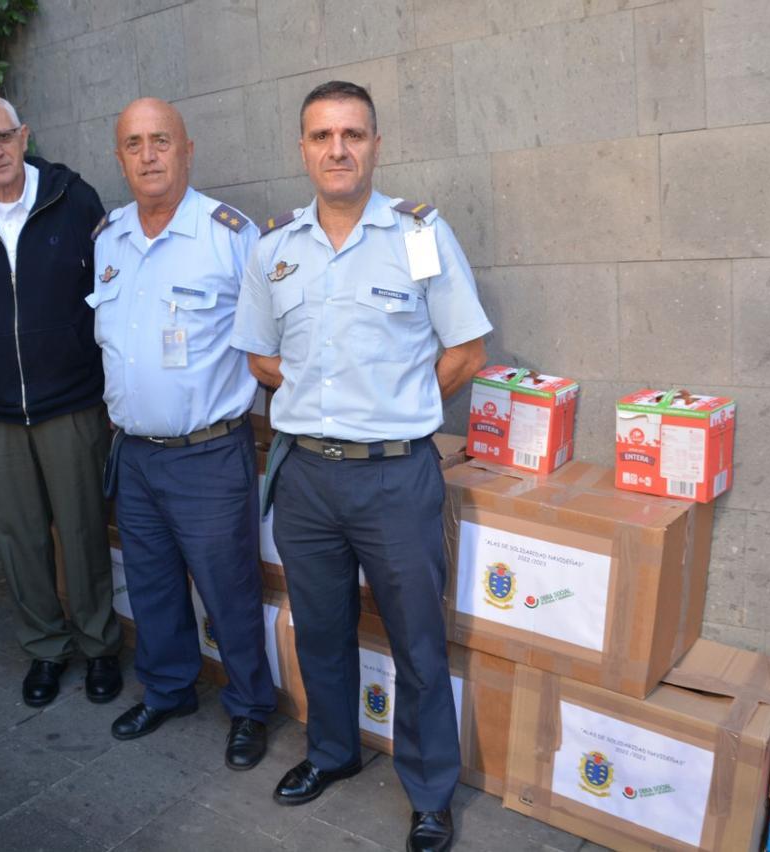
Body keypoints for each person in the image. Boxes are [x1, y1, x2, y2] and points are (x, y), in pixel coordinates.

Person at [232, 81, 491, 852]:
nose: (337, 149)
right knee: (320, 628)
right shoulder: (274, 248)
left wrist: (394, 403)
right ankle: (333, 755)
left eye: (352, 133)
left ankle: (430, 793)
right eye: (321, 135)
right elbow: (258, 355)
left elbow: (467, 351)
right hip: (306, 475)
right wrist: (323, 398)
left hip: (394, 475)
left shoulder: (418, 235)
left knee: (416, 642)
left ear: (376, 145)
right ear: (302, 149)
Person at [91, 98, 276, 769]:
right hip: (135, 454)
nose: (148, 155)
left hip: (207, 454)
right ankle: (168, 690)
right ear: (120, 158)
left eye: (161, 140)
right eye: (134, 143)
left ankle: (252, 707)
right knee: (151, 585)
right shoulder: (107, 239)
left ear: (188, 150)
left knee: (228, 591)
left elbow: (273, 339)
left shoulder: (230, 235)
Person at [0, 95, 122, 708]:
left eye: (4, 137)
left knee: (85, 530)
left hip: (71, 404)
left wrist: (106, 394)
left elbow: (109, 300)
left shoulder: (73, 199)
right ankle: (44, 648)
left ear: (24, 135)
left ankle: (98, 646)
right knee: (19, 539)